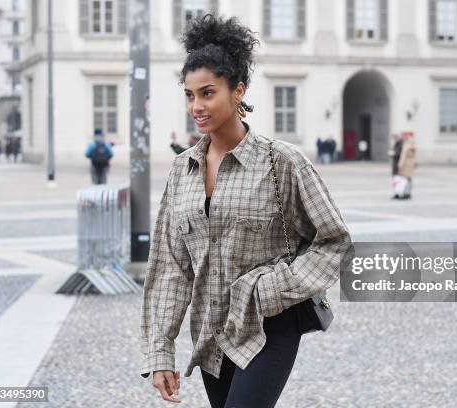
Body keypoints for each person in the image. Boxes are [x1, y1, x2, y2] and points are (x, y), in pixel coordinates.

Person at [139, 14, 352, 408]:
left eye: (207, 93)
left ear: (237, 91)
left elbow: (334, 241)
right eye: (189, 95)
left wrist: (274, 289)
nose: (196, 106)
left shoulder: (281, 162)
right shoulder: (181, 169)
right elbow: (171, 267)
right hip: (210, 330)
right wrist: (160, 352)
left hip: (269, 325)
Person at [395, 132, 416, 200]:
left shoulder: (407, 144)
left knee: (405, 180)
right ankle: (408, 193)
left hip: (406, 164)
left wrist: (400, 165)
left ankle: (406, 194)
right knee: (409, 179)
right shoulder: (413, 144)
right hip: (410, 164)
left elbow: (403, 156)